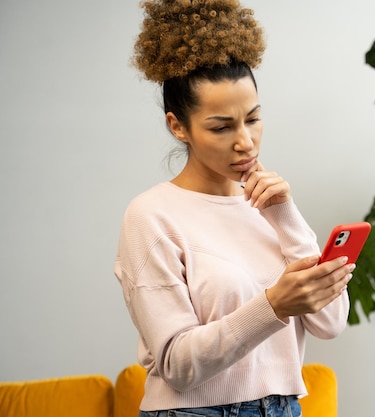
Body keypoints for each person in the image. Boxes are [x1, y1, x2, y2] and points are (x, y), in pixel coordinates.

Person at [113, 1, 352, 416]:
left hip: (283, 408)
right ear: (177, 126)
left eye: (253, 119)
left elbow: (330, 324)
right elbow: (176, 364)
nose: (245, 141)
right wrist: (273, 305)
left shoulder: (271, 205)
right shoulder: (151, 216)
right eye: (222, 127)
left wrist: (285, 215)